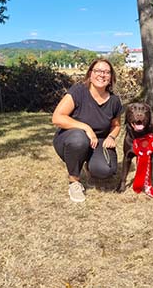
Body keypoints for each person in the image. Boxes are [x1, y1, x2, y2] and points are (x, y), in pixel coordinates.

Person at [52, 58, 123, 202]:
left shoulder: (114, 101)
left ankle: (90, 166)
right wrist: (86, 128)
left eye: (107, 72)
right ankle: (74, 182)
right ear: (90, 74)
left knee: (106, 170)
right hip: (71, 139)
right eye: (98, 71)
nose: (102, 75)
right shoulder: (78, 91)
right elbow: (57, 118)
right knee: (79, 139)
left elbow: (116, 126)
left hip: (98, 142)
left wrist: (111, 137)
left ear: (111, 78)